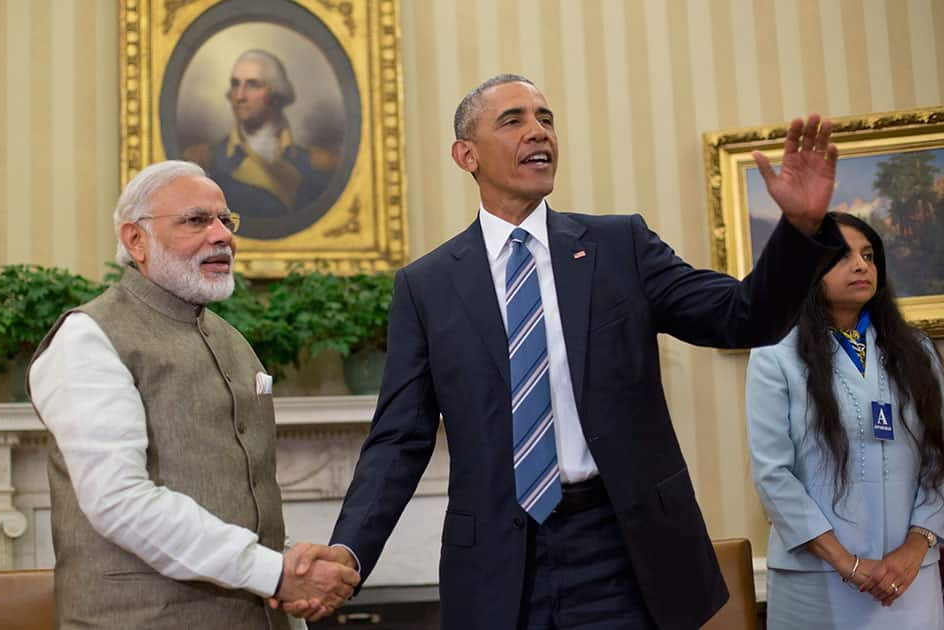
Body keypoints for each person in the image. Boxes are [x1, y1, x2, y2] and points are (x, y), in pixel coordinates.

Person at [282, 74, 845, 629]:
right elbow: (399, 438)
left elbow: (743, 316)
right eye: (514, 121)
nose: (538, 132)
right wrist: (349, 550)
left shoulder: (619, 245)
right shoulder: (426, 287)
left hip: (622, 549)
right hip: (499, 564)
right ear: (466, 155)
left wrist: (798, 229)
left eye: (545, 119)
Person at [27, 160, 358, 629]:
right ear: (134, 240)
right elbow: (119, 500)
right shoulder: (88, 337)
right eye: (196, 220)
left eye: (227, 220)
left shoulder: (231, 340)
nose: (222, 235)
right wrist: (275, 574)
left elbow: (233, 500)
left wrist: (293, 572)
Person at [746, 212, 944, 629]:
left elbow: (938, 461)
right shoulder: (774, 353)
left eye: (869, 255)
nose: (861, 265)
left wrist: (914, 548)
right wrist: (848, 563)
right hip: (816, 581)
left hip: (909, 580)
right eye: (843, 256)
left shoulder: (917, 351)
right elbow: (773, 474)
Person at [183, 49, 336, 238]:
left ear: (276, 94)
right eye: (235, 84)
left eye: (252, 85)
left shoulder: (319, 164)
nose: (239, 96)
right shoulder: (204, 160)